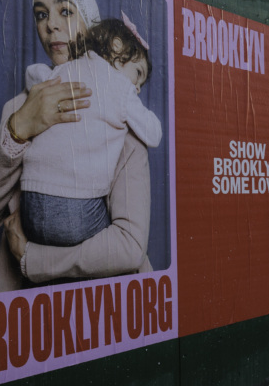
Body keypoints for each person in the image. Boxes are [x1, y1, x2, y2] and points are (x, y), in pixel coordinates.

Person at [0, 0, 153, 292]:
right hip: (32, 317)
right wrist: (19, 129)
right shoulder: (19, 110)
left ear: (91, 25)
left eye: (65, 11)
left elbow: (129, 244)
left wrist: (35, 260)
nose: (51, 25)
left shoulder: (122, 111)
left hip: (108, 308)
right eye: (41, 15)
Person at [19, 14, 162, 247]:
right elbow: (153, 133)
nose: (136, 88)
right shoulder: (121, 89)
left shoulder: (64, 69)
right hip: (74, 213)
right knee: (114, 239)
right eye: (138, 74)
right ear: (116, 46)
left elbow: (33, 74)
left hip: (30, 205)